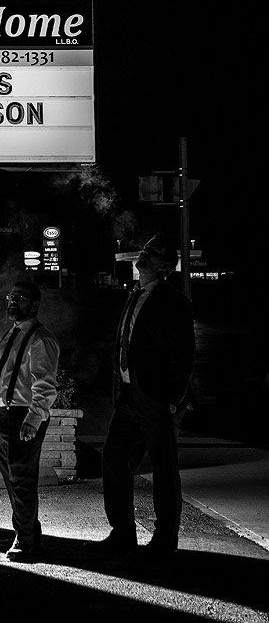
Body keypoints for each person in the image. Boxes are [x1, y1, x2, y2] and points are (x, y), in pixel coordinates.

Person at [97, 233, 196, 559]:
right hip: (128, 398)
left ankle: (165, 539)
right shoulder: (134, 294)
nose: (144, 253)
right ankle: (123, 532)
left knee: (164, 470)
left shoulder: (173, 301)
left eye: (153, 251)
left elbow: (184, 355)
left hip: (154, 400)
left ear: (166, 265)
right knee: (113, 459)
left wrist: (171, 399)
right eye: (146, 247)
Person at [0, 279, 60, 562]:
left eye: (21, 298)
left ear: (35, 304)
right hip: (4, 414)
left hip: (22, 416)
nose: (13, 301)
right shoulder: (9, 335)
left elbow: (45, 383)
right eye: (11, 296)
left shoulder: (41, 339)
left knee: (22, 480)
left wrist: (34, 418)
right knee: (12, 479)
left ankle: (26, 541)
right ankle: (26, 532)